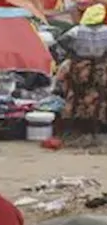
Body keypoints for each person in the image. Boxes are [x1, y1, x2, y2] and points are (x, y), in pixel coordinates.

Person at [57, 4, 108, 134]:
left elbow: (61, 42)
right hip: (100, 69)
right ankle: (100, 123)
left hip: (79, 68)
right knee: (101, 94)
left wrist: (73, 50)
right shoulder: (106, 31)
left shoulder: (76, 30)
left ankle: (71, 122)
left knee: (73, 92)